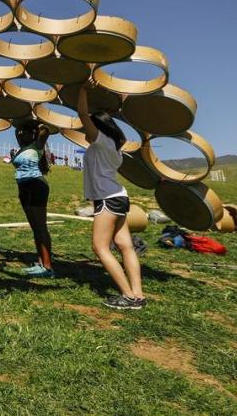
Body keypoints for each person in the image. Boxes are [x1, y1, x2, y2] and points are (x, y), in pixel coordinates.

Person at [77, 81, 146, 310]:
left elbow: (81, 114)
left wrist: (84, 90)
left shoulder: (101, 142)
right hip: (119, 197)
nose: (85, 133)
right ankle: (138, 294)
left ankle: (127, 296)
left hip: (108, 198)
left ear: (97, 128)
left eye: (88, 129)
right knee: (125, 245)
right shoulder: (114, 147)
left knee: (100, 247)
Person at [11, 121, 54, 277]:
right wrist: (21, 123)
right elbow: (17, 131)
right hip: (24, 188)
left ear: (33, 133)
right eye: (21, 132)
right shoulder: (23, 147)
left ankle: (48, 268)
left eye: (25, 132)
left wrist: (37, 122)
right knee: (35, 227)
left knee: (40, 227)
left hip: (36, 186)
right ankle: (41, 263)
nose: (21, 134)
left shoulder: (37, 144)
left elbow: (46, 130)